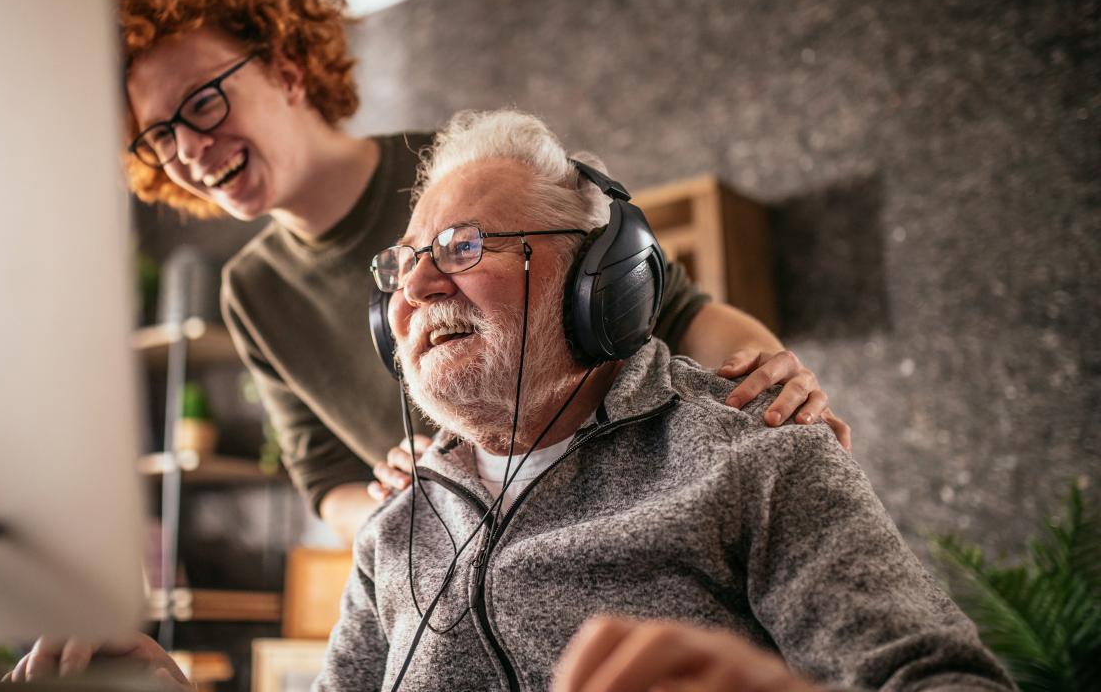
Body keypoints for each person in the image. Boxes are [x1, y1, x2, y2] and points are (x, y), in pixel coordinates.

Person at [112, 0, 851, 543]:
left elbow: (680, 309)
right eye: (159, 135)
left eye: (202, 104)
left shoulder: (457, 170)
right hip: (468, 553)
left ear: (287, 71)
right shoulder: (251, 292)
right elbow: (326, 479)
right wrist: (390, 501)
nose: (188, 150)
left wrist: (771, 377)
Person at [311, 109, 1012, 691]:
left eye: (463, 246)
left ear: (599, 283)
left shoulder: (759, 458)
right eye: (403, 263)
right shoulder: (393, 531)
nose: (416, 287)